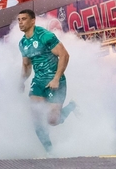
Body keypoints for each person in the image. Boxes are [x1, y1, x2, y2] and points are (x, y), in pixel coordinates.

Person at [17, 9, 76, 153]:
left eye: (24, 19)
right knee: (36, 117)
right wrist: (21, 81)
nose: (20, 22)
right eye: (19, 20)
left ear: (33, 21)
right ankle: (49, 151)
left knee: (52, 120)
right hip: (38, 82)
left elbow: (64, 55)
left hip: (55, 81)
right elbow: (26, 65)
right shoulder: (23, 43)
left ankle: (72, 106)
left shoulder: (45, 36)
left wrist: (56, 79)